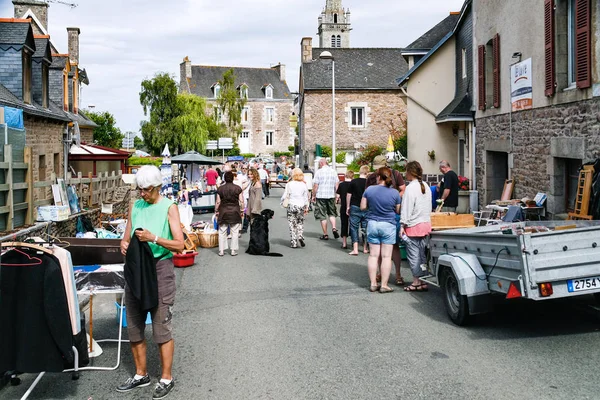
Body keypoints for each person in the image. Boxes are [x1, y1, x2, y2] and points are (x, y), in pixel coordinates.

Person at [118, 165, 185, 399]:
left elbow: (180, 245)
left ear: (157, 187)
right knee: (134, 323)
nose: (142, 194)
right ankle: (141, 374)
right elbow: (125, 237)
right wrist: (123, 245)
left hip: (160, 269)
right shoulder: (135, 206)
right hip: (136, 270)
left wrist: (153, 238)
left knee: (161, 325)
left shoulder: (169, 207)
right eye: (140, 190)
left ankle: (166, 377)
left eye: (146, 190)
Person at [366, 155, 406, 285]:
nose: (378, 171)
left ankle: (398, 274)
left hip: (391, 213)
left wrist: (394, 199)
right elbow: (366, 195)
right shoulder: (371, 177)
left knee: (393, 247)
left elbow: (403, 189)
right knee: (378, 249)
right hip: (380, 214)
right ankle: (380, 273)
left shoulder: (395, 174)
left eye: (380, 168)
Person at [361, 167, 401, 293]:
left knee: (373, 255)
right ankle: (384, 285)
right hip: (388, 224)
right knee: (386, 256)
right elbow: (397, 210)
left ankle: (373, 283)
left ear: (378, 177)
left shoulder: (369, 190)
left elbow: (362, 207)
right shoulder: (394, 192)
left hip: (372, 223)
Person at [401, 161, 432, 292]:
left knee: (414, 256)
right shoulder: (426, 185)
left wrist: (402, 224)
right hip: (425, 224)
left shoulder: (410, 188)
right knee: (423, 255)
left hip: (413, 225)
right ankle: (423, 280)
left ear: (410, 172)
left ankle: (416, 281)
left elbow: (406, 208)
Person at [216, 171, 244, 256]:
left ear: (224, 178)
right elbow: (241, 201)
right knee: (235, 231)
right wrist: (242, 210)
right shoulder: (238, 188)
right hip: (235, 211)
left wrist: (216, 211)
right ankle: (233, 250)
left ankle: (221, 250)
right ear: (232, 178)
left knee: (222, 231)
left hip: (223, 211)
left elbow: (218, 202)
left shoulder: (220, 188)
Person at [281, 168, 310, 248]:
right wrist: (307, 207)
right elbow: (306, 197)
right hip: (300, 205)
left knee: (292, 224)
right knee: (300, 222)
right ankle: (300, 236)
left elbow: (285, 196)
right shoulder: (304, 185)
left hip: (291, 205)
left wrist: (282, 201)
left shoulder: (289, 184)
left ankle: (294, 241)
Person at [312, 159, 339, 240]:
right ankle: (334, 228)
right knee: (332, 213)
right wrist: (337, 194)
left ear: (321, 163)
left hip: (321, 196)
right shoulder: (333, 171)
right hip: (331, 195)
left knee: (322, 215)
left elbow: (316, 185)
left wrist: (313, 195)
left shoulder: (319, 172)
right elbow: (337, 184)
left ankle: (325, 234)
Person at [347, 165, 369, 255]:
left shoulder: (353, 181)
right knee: (365, 228)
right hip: (366, 207)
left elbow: (349, 195)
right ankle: (365, 248)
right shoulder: (369, 183)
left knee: (354, 227)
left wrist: (348, 206)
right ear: (367, 173)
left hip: (355, 206)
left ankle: (355, 248)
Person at [336, 170, 354, 249]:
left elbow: (337, 196)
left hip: (344, 206)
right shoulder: (354, 184)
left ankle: (344, 243)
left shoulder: (341, 185)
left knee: (344, 224)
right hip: (353, 206)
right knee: (353, 225)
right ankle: (354, 241)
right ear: (352, 176)